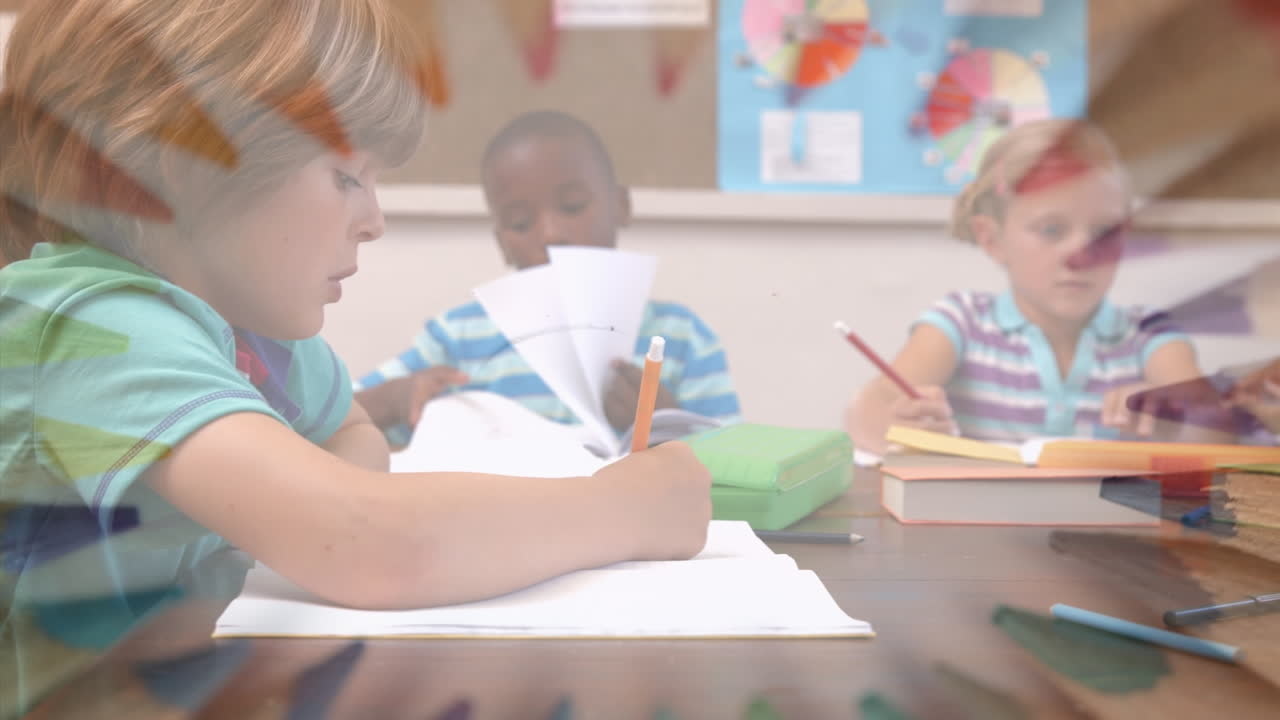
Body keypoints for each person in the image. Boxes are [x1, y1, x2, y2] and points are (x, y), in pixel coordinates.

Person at [0, 0, 712, 636]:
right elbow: (375, 543)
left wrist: (305, 515)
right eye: (346, 176)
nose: (373, 221)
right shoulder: (84, 328)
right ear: (183, 166)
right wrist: (623, 510)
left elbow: (353, 432)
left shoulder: (249, 332)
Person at [354, 111, 741, 448]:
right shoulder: (458, 338)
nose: (551, 234)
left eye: (572, 206)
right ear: (502, 244)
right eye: (521, 223)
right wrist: (395, 399)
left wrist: (668, 423)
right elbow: (327, 418)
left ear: (621, 206)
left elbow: (739, 471)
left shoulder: (682, 339)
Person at [846, 119, 1205, 453]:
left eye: (1104, 233)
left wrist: (1175, 414)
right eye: (1051, 230)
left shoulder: (1150, 333)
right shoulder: (961, 322)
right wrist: (904, 425)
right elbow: (867, 419)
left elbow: (1215, 427)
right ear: (992, 239)